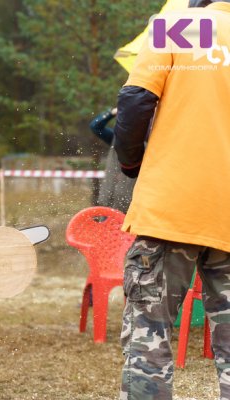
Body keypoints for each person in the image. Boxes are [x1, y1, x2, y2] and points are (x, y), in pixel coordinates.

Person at [113, 1, 230, 399]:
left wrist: (130, 162)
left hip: (171, 207)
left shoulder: (177, 25)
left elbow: (135, 100)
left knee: (151, 340)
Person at [89, 107, 136, 213]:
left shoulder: (150, 142)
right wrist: (112, 113)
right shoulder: (116, 137)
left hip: (133, 200)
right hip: (110, 196)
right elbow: (95, 127)